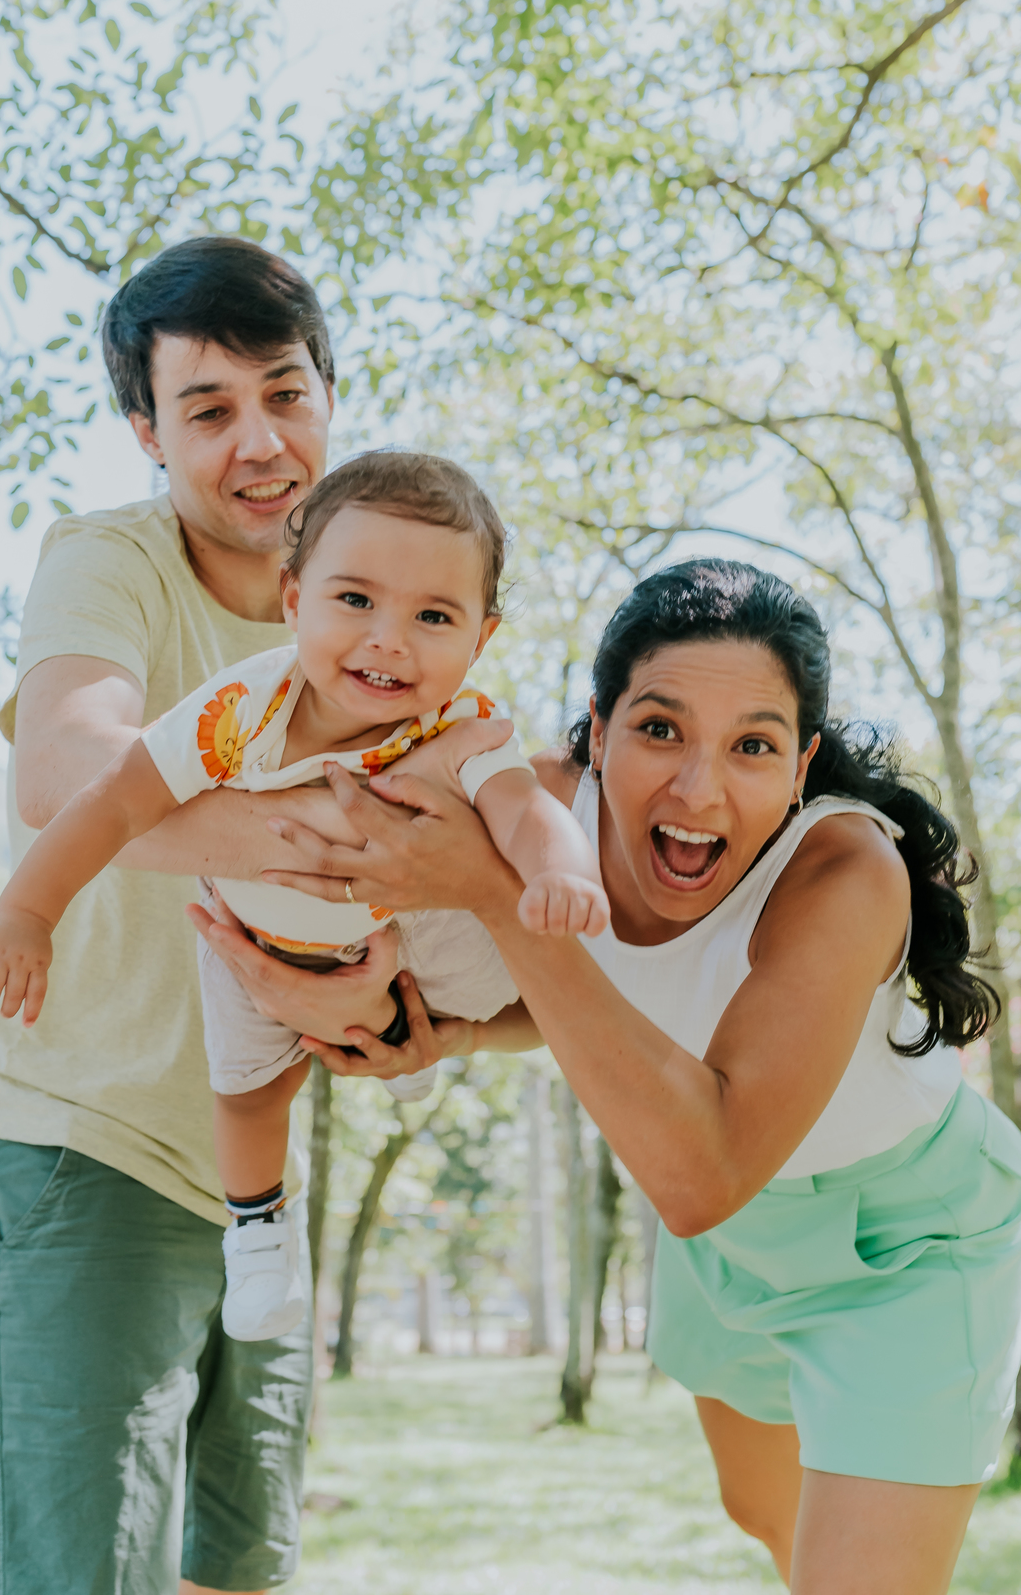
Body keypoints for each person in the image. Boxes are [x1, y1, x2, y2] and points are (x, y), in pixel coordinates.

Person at [199, 559, 1021, 1595]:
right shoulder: (539, 810)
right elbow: (596, 1005)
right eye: (660, 729)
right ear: (598, 725)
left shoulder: (843, 873)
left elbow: (700, 1171)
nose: (698, 788)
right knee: (764, 1513)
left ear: (803, 759)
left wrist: (500, 902)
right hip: (732, 1248)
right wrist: (445, 1032)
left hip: (909, 1244)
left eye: (754, 745)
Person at [0, 237, 443, 1595]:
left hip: (254, 1169)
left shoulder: (368, 597)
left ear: (332, 395)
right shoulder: (109, 561)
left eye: (286, 392)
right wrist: (323, 844)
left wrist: (399, 1013)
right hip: (79, 1143)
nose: (260, 441)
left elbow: (459, 843)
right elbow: (64, 771)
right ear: (147, 433)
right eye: (209, 409)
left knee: (241, 1564)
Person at [0, 449, 607, 1343]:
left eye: (433, 615)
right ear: (293, 599)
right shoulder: (238, 712)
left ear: (480, 638)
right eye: (356, 601)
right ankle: (260, 1228)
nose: (389, 637)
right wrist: (28, 913)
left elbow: (526, 811)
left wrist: (561, 871)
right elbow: (110, 801)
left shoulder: (463, 731)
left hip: (402, 937)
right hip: (253, 944)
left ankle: (400, 1032)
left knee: (502, 930)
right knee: (250, 1094)